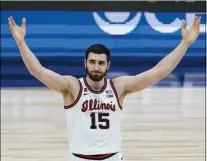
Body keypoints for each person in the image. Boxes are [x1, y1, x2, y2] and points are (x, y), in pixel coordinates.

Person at [8, 16, 201, 161]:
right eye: (92, 62)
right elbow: (38, 71)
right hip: (79, 157)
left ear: (108, 65)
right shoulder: (72, 87)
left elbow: (158, 72)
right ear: (85, 63)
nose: (96, 66)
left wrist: (185, 43)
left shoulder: (119, 87)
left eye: (101, 63)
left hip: (113, 157)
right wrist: (21, 43)